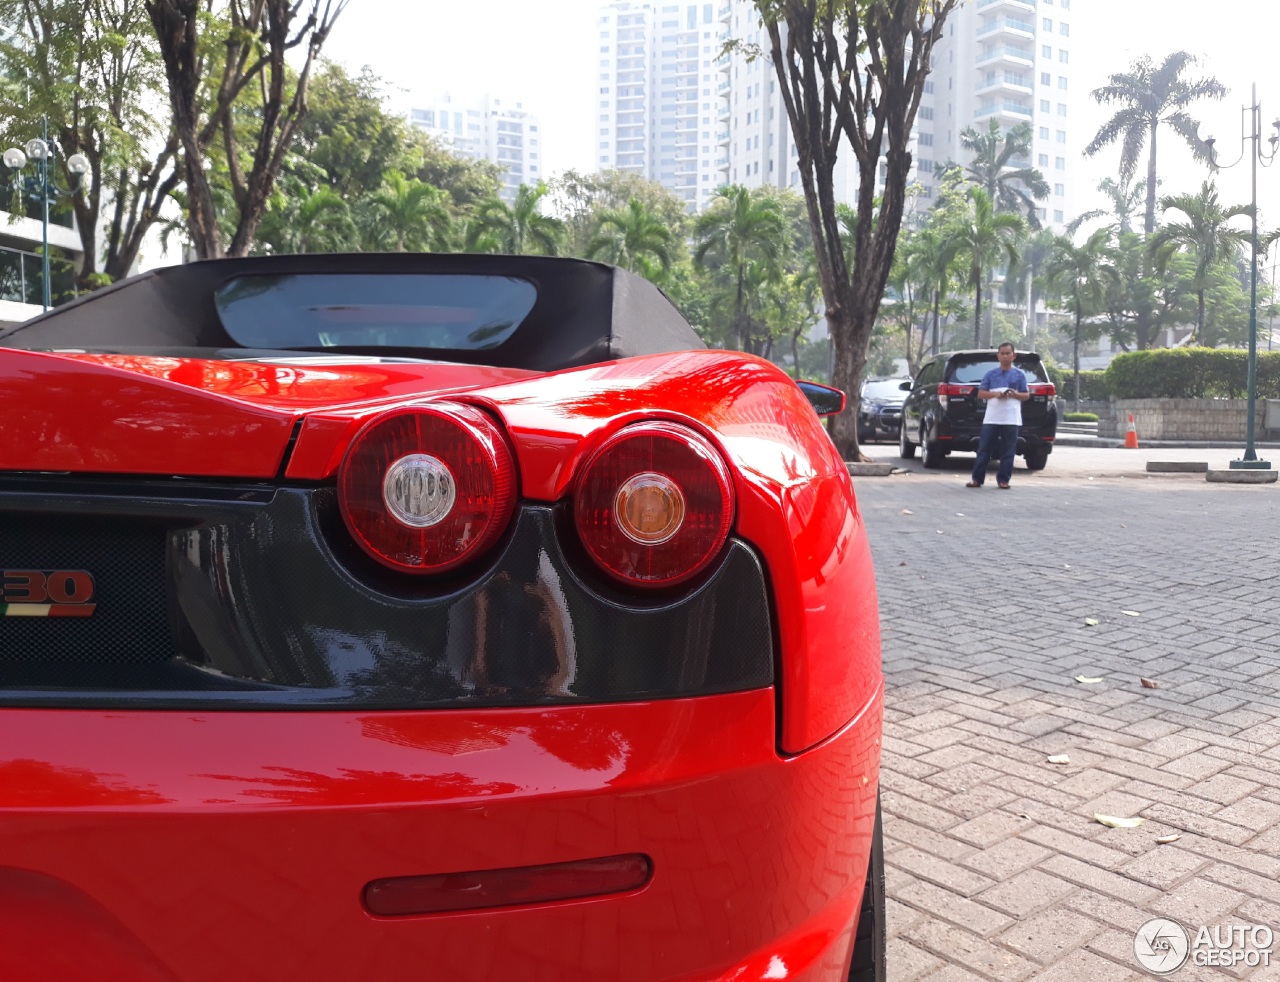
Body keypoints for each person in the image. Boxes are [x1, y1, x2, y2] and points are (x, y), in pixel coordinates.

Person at [966, 342, 1029, 489]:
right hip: (992, 418)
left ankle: (1004, 480)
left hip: (1011, 419)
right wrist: (995, 394)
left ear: (1014, 356)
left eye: (1008, 353)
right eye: (1002, 353)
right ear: (998, 355)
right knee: (984, 449)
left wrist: (1014, 394)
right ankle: (977, 479)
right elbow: (981, 393)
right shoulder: (990, 374)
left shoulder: (1020, 375)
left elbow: (1026, 395)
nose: (1005, 356)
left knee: (1008, 451)